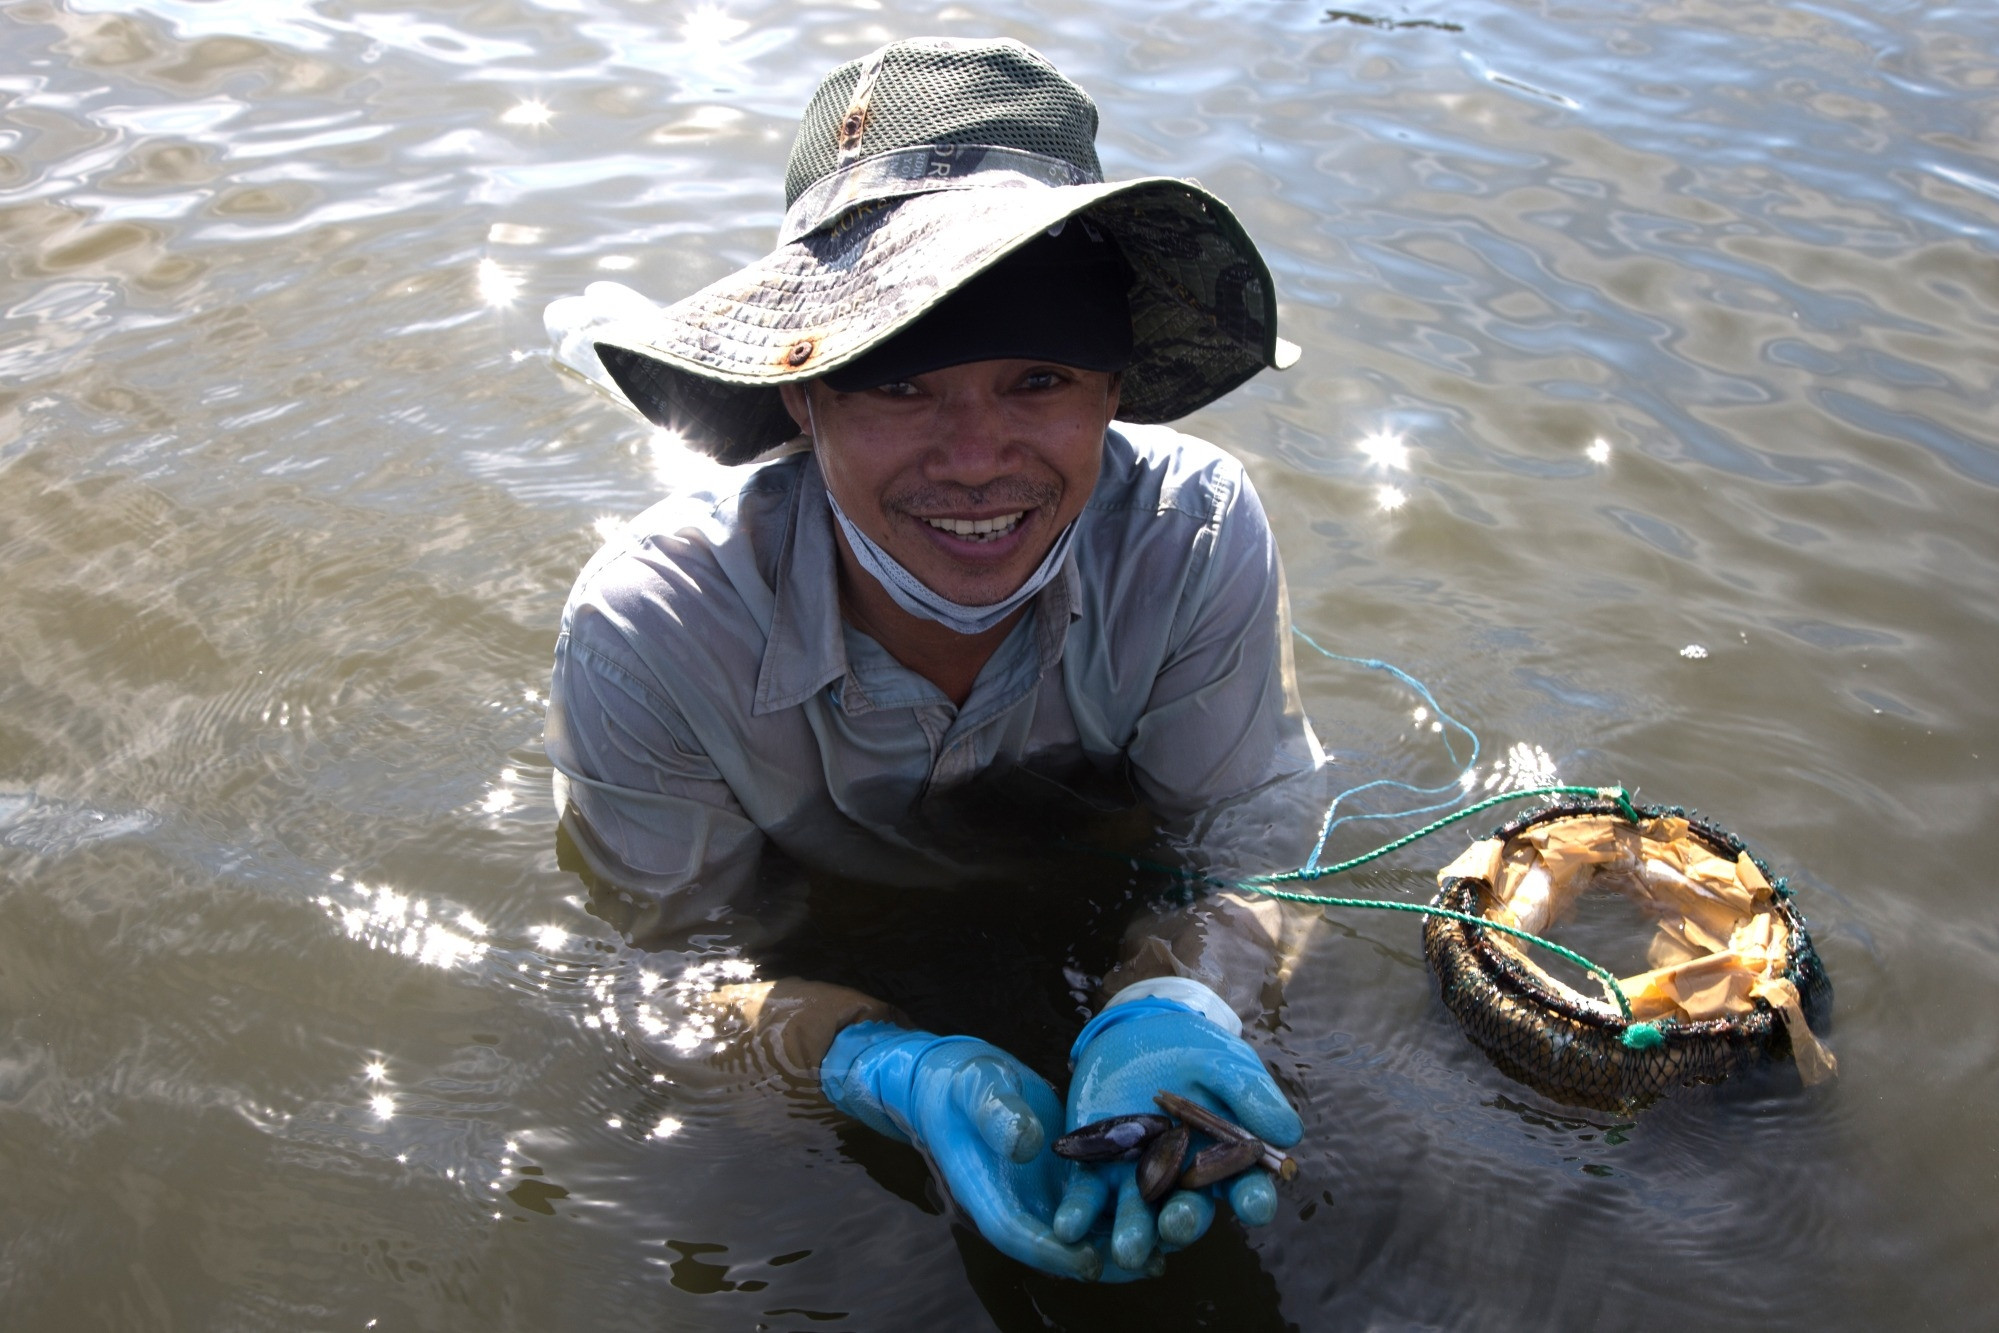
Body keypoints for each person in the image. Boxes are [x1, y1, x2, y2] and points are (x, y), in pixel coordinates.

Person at [543, 36, 1325, 1283]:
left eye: (1038, 380)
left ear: (1112, 390)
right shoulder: (652, 627)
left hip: (1110, 879)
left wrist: (1186, 993)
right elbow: (667, 976)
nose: (975, 457)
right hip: (822, 934)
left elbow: (1254, 825)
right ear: (804, 401)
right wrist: (873, 1067)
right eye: (902, 385)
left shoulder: (1197, 530)